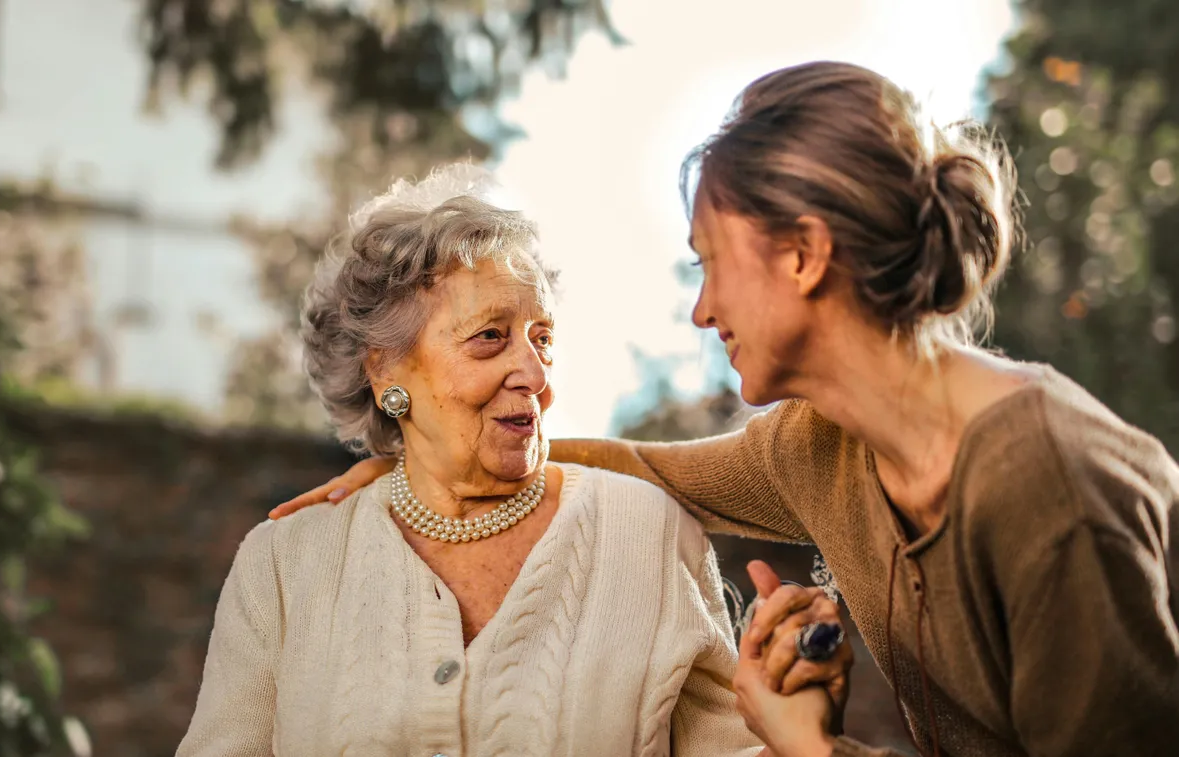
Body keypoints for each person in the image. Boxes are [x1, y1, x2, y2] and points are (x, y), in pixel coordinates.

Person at [270, 62, 1179, 757]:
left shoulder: (1045, 489)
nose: (702, 310)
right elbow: (637, 466)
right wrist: (424, 457)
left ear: (803, 256)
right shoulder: (821, 445)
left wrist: (805, 749)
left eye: (709, 261)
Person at [177, 165, 773, 756]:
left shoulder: (649, 534)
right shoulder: (283, 565)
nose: (536, 375)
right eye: (491, 336)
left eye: (542, 338)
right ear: (384, 370)